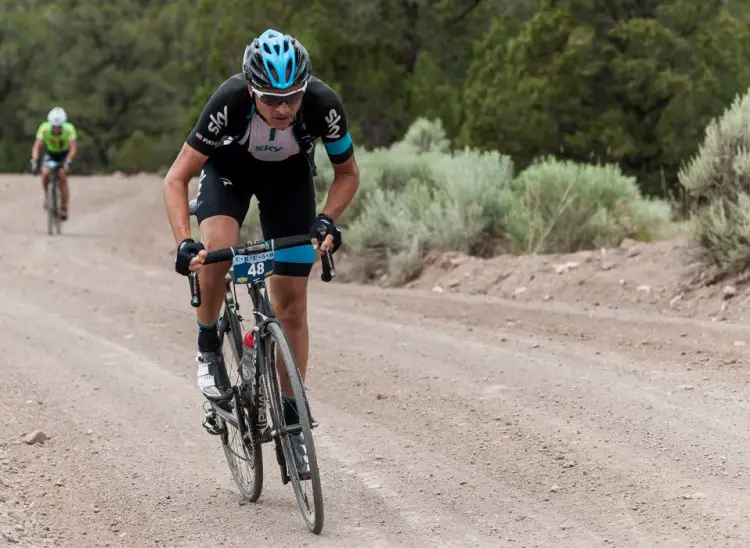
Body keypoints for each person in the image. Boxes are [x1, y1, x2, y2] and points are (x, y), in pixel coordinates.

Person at [163, 29, 360, 474]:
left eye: (292, 96)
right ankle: (209, 345)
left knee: (292, 307)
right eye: (271, 99)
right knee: (217, 251)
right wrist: (182, 242)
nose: (284, 108)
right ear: (252, 89)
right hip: (229, 175)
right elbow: (176, 178)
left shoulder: (322, 105)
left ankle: (292, 419)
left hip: (288, 182)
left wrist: (327, 219)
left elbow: (347, 173)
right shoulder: (229, 101)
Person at [31, 107, 78, 220]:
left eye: (59, 127)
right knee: (45, 173)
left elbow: (73, 148)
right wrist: (35, 160)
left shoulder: (69, 129)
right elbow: (37, 146)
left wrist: (68, 160)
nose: (56, 129)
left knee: (62, 176)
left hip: (64, 155)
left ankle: (64, 206)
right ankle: (48, 196)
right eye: (54, 126)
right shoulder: (44, 128)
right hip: (51, 154)